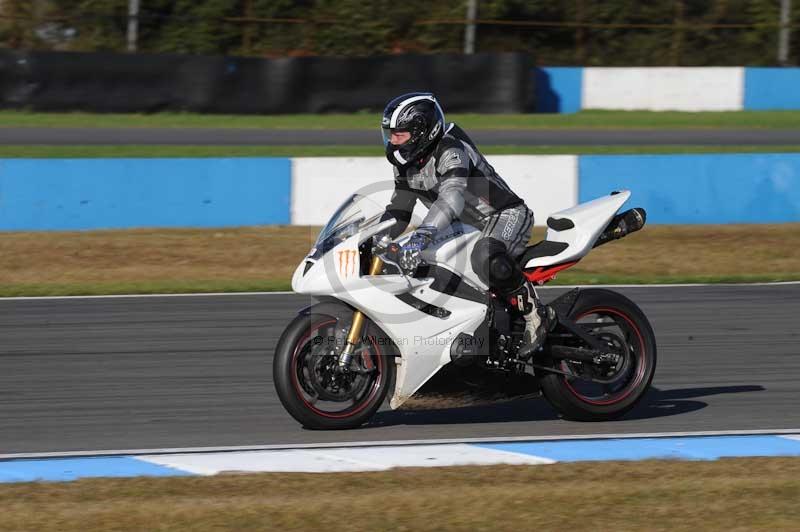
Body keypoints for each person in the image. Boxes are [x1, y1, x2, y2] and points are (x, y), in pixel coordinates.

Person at [379, 92, 551, 353]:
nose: (392, 141)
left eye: (399, 134)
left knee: (486, 255)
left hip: (502, 214)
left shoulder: (451, 149)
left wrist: (422, 235)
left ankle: (535, 316)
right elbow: (399, 210)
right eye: (390, 133)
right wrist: (371, 238)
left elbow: (452, 197)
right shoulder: (404, 161)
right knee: (409, 262)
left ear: (422, 132)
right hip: (460, 225)